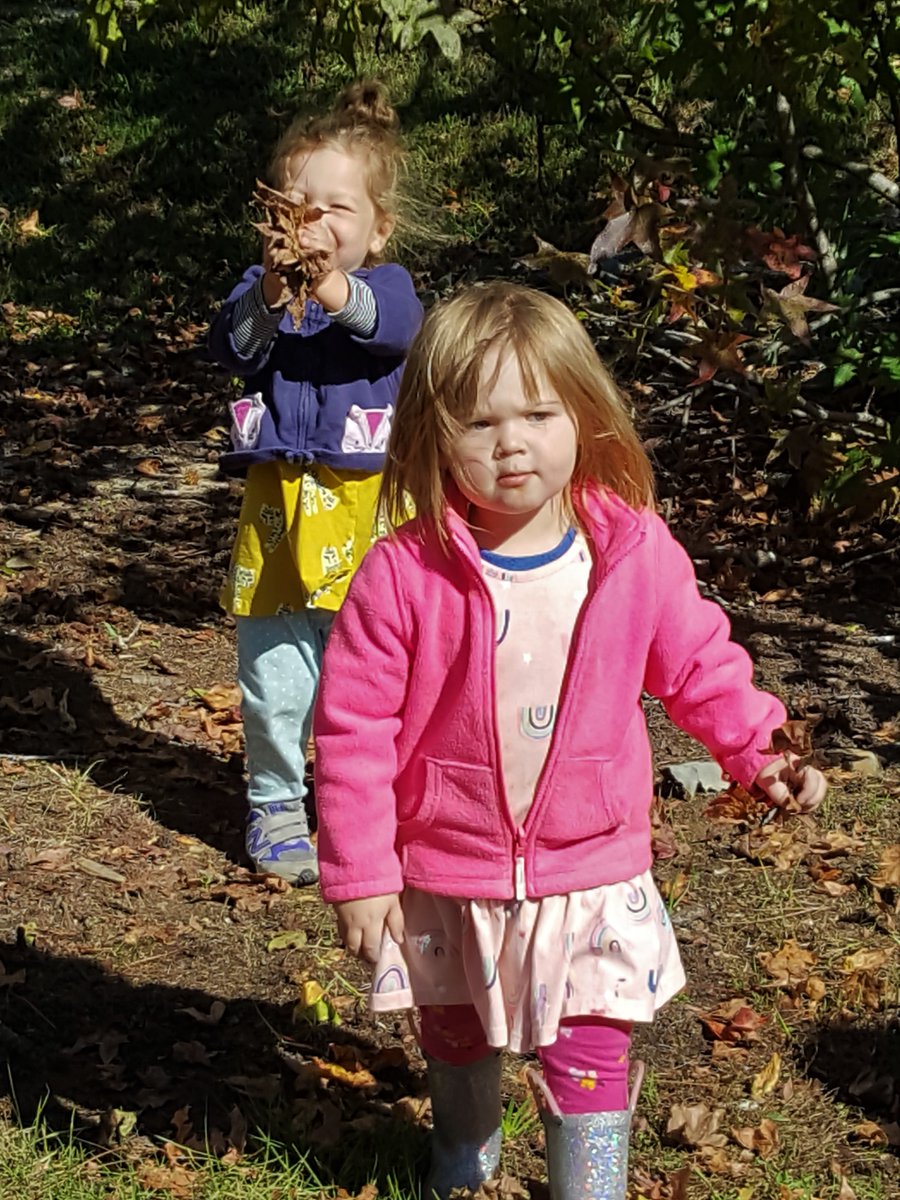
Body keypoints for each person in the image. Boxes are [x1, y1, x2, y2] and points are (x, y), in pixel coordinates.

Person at [312, 282, 827, 1200]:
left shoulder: (630, 552)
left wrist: (760, 748)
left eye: (538, 414)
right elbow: (353, 728)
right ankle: (464, 1157)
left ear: (583, 416)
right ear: (433, 435)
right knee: (456, 1028)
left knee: (591, 1040)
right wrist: (361, 870)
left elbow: (699, 663)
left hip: (591, 866)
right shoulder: (404, 572)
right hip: (451, 863)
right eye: (479, 422)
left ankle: (589, 1187)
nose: (511, 442)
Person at [208, 80, 423, 885]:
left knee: (372, 674)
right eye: (296, 206)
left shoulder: (385, 289)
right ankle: (274, 798)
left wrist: (331, 286)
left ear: (378, 227)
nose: (313, 225)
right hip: (278, 517)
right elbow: (231, 348)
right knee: (275, 675)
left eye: (336, 209)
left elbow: (393, 332)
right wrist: (272, 288)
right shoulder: (258, 296)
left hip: (369, 517)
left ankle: (363, 801)